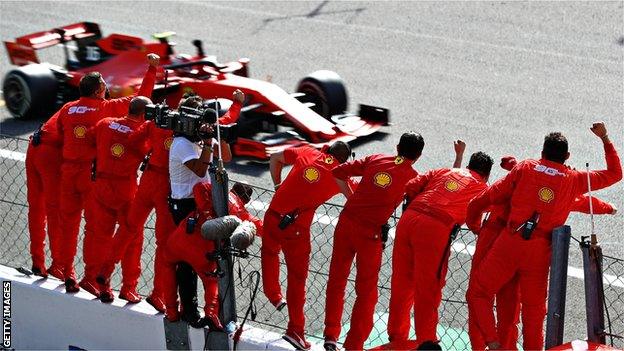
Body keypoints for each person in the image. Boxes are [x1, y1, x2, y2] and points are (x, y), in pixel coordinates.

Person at [465, 122, 622, 350]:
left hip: (509, 243)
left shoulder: (525, 168)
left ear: (542, 152)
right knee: (534, 315)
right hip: (539, 253)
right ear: (567, 156)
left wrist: (474, 224)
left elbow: (487, 197)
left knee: (479, 293)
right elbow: (615, 174)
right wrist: (605, 138)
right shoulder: (574, 179)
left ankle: (492, 342)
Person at [58, 53, 160, 293]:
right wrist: (152, 69)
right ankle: (127, 287)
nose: (106, 91)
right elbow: (140, 97)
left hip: (68, 171)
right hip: (97, 179)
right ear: (97, 92)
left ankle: (68, 272)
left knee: (73, 226)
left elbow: (63, 132)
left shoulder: (67, 109)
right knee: (126, 233)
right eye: (104, 87)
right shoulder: (105, 110)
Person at [323, 132, 424, 351]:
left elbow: (338, 172)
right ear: (418, 156)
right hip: (370, 235)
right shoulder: (413, 177)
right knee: (367, 293)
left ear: (397, 147)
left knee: (336, 280)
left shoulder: (376, 158)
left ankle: (330, 336)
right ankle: (353, 345)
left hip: (346, 223)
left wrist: (353, 198)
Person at [387, 149, 494, 344]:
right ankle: (426, 342)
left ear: (469, 166)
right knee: (428, 289)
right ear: (486, 175)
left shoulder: (443, 171)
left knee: (401, 283)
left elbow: (411, 185)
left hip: (408, 220)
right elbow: (480, 211)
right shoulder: (481, 187)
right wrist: (477, 229)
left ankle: (396, 337)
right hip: (434, 230)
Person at [262, 141, 352, 350]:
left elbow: (275, 158)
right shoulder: (339, 174)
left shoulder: (306, 151)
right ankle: (295, 330)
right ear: (345, 161)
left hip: (272, 215)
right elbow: (355, 198)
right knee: (297, 279)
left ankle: (273, 295)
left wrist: (278, 186)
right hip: (295, 229)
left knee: (268, 253)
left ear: (327, 149)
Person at [168, 90, 243, 326]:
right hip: (185, 206)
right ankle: (190, 310)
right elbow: (200, 170)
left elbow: (227, 156)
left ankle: (212, 310)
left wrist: (220, 135)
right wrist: (209, 142)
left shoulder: (200, 137)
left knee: (210, 256)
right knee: (189, 261)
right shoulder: (181, 144)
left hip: (203, 204)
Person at [77, 96, 156, 302]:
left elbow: (89, 137)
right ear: (144, 115)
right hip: (125, 190)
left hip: (100, 186)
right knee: (131, 238)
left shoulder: (104, 123)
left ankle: (91, 280)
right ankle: (128, 287)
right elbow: (150, 152)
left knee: (98, 236)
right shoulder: (141, 134)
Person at [162, 181, 258, 329]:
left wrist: (206, 214)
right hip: (201, 251)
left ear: (231, 189)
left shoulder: (218, 192)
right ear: (246, 201)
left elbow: (198, 187)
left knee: (167, 265)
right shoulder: (240, 211)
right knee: (212, 281)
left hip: (180, 238)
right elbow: (261, 226)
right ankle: (211, 314)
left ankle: (171, 312)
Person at [25, 113, 63, 278]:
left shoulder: (69, 106)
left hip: (34, 145)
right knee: (55, 211)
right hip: (50, 154)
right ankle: (58, 265)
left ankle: (37, 262)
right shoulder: (102, 112)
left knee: (36, 210)